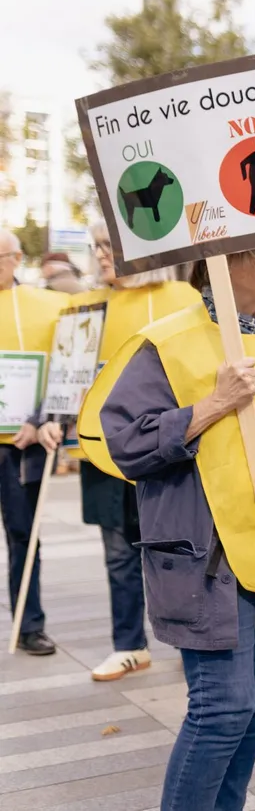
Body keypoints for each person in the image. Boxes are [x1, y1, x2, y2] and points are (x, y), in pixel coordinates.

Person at [82, 243, 255, 811]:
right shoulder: (166, 342)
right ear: (220, 263)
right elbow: (124, 442)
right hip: (205, 558)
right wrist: (213, 405)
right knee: (221, 708)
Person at [77, 223, 202, 681]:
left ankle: (196, 642)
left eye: (109, 245)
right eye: (96, 247)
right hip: (104, 450)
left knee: (181, 546)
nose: (101, 255)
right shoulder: (88, 307)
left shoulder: (185, 299)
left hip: (170, 448)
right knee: (117, 548)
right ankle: (129, 644)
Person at [0, 229, 68, 655]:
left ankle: (29, 624)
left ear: (17, 258)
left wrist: (40, 419)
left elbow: (64, 369)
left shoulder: (47, 306)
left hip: (20, 444)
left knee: (24, 534)